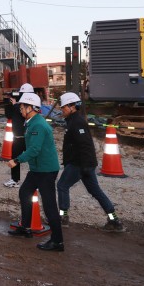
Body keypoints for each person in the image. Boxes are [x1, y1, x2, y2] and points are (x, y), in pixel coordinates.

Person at [56, 92, 125, 232]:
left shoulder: (77, 122)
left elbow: (84, 145)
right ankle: (114, 220)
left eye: (63, 107)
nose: (61, 109)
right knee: (95, 191)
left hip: (79, 163)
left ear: (72, 107)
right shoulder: (74, 121)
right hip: (85, 164)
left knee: (62, 185)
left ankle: (63, 217)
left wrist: (85, 166)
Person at [7, 93, 64, 251]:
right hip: (37, 169)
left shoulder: (38, 125)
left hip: (46, 170)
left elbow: (34, 150)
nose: (20, 109)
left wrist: (16, 160)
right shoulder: (32, 122)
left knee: (49, 206)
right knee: (24, 192)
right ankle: (25, 227)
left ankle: (57, 241)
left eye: (22, 106)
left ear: (31, 108)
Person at [3, 83, 35, 188]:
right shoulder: (18, 105)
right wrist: (8, 104)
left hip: (27, 137)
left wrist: (16, 105)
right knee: (15, 158)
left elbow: (24, 115)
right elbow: (9, 115)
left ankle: (38, 181)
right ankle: (14, 179)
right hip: (17, 137)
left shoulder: (30, 105)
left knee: (34, 159)